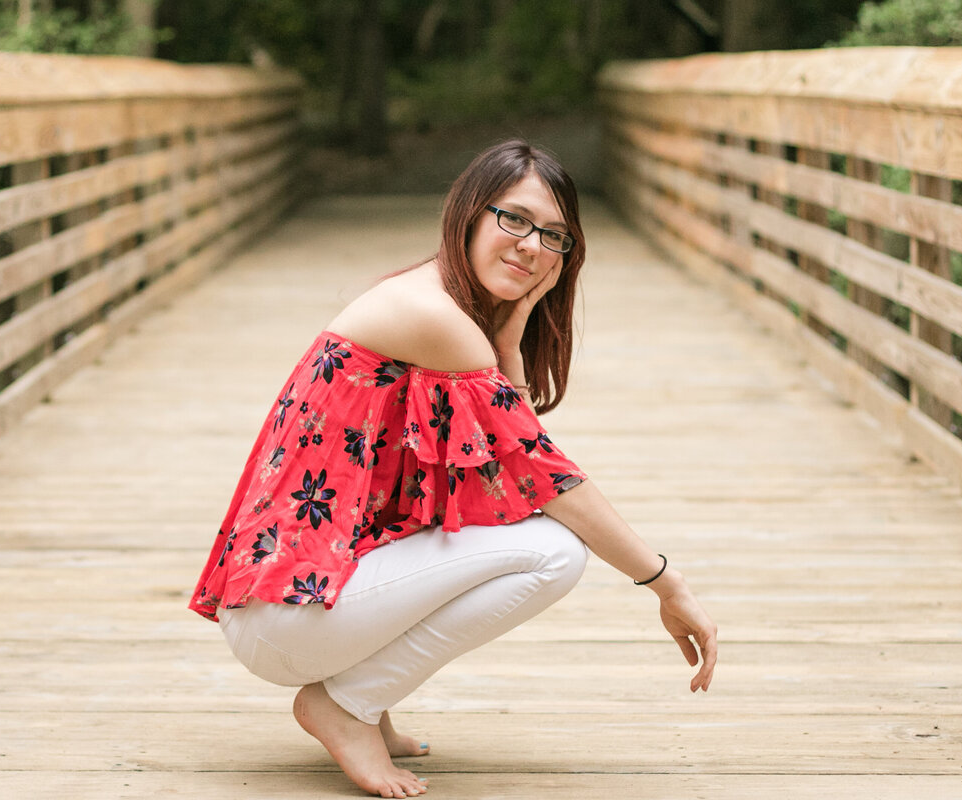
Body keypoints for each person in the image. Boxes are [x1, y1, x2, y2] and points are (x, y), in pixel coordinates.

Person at [190, 140, 718, 798]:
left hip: (294, 600)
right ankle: (344, 706)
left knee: (523, 534)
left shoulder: (445, 309)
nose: (531, 245)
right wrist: (666, 582)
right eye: (514, 219)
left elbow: (510, 468)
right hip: (286, 612)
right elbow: (545, 478)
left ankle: (363, 704)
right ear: (469, 212)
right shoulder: (434, 318)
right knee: (555, 552)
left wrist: (511, 341)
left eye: (554, 234)